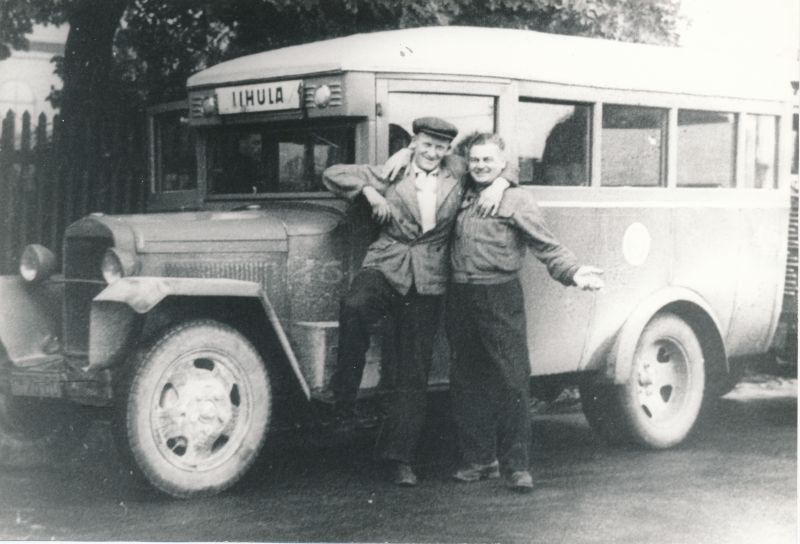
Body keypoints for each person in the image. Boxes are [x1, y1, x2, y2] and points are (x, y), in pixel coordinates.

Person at [321, 117, 515, 486]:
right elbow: (333, 174)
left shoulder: (458, 170)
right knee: (356, 305)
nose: (433, 153)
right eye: (426, 145)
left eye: (440, 147)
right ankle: (343, 394)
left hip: (428, 277)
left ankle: (400, 458)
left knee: (412, 370)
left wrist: (501, 182)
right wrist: (369, 192)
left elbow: (503, 162)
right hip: (387, 262)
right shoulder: (392, 169)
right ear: (415, 143)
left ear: (447, 151)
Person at [446, 133, 604, 492]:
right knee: (467, 380)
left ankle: (517, 467)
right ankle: (480, 460)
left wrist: (573, 272)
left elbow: (545, 244)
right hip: (460, 296)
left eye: (489, 160)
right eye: (475, 160)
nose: (480, 166)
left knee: (511, 380)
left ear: (503, 164)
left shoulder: (517, 199)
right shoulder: (460, 190)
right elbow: (446, 161)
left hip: (498, 296)